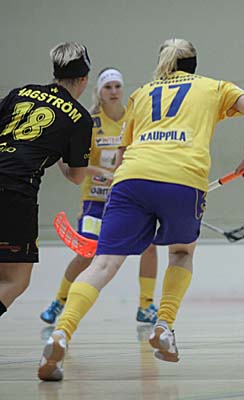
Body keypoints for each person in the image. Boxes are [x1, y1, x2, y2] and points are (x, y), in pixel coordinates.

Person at [38, 38, 244, 381]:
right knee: (181, 253)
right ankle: (164, 325)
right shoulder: (213, 87)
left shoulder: (141, 93)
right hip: (184, 177)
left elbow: (123, 153)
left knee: (103, 263)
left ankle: (62, 332)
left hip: (131, 178)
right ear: (194, 63)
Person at [39, 68, 159, 325]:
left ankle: (146, 305)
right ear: (99, 91)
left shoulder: (134, 119)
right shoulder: (89, 122)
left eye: (117, 86)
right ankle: (59, 301)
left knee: (149, 246)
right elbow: (71, 162)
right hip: (95, 201)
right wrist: (101, 173)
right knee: (87, 253)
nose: (114, 91)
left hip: (126, 202)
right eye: (108, 87)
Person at [0, 42, 93, 318]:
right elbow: (77, 177)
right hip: (15, 192)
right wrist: (61, 156)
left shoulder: (20, 93)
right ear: (84, 79)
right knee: (14, 280)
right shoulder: (80, 119)